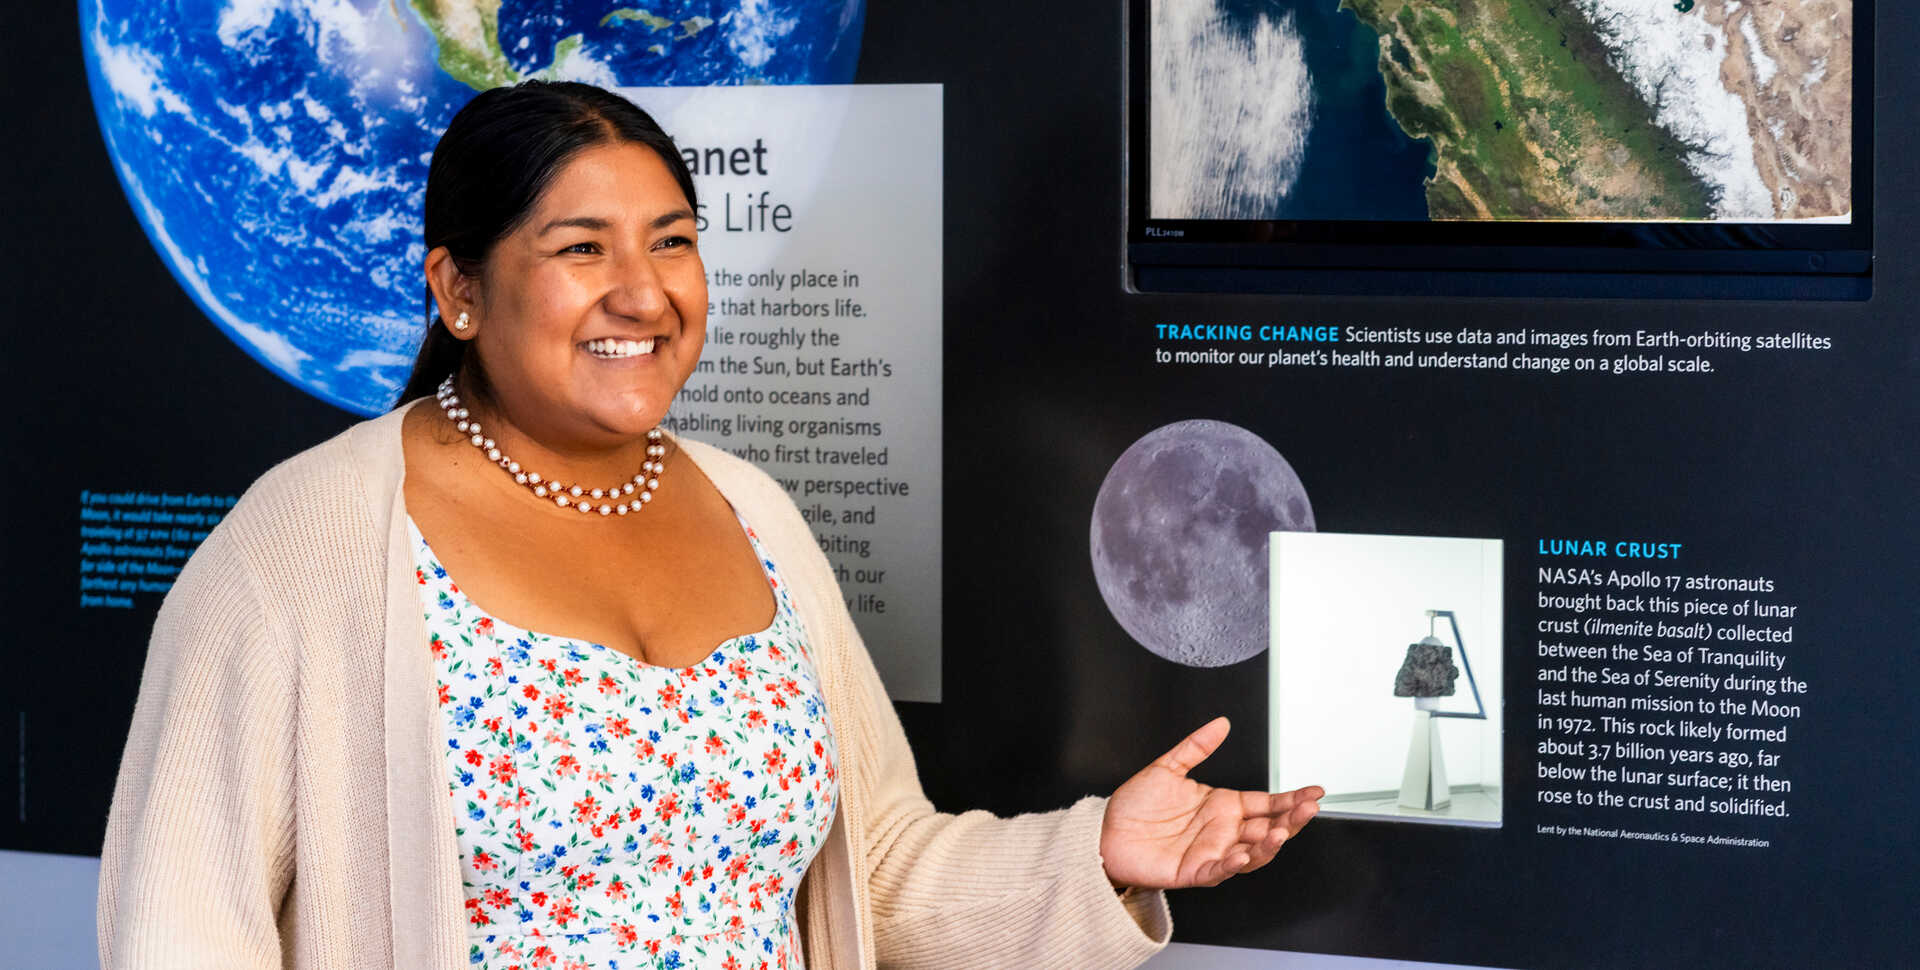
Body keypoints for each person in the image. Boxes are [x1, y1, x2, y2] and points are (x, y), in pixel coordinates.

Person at [97, 80, 1322, 970]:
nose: (644, 291)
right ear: (457, 288)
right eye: (581, 248)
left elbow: (879, 871)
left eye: (673, 242)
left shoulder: (757, 514)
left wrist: (1098, 852)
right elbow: (179, 930)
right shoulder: (306, 542)